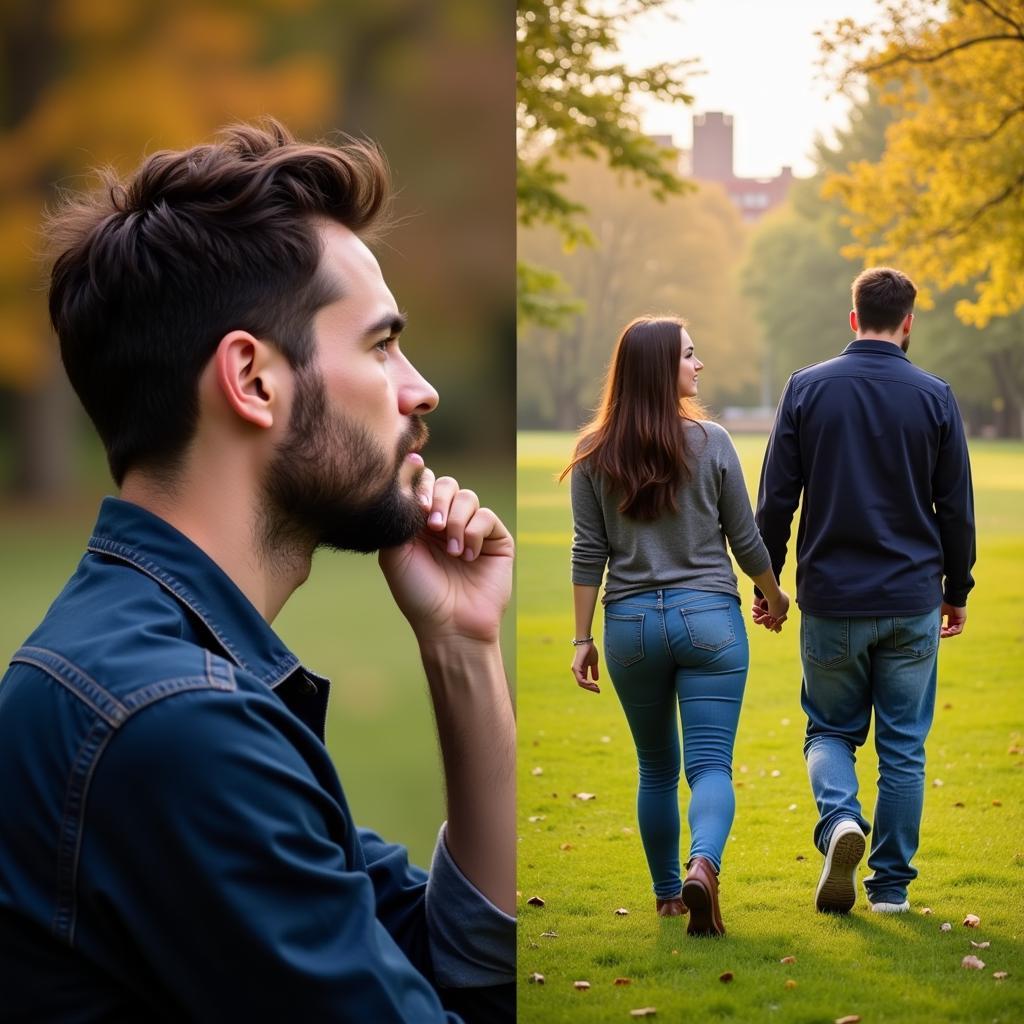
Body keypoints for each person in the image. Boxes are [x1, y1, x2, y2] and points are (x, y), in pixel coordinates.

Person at [0, 120, 515, 1023]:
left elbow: (443, 956)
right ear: (253, 380)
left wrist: (463, 651)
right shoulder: (176, 729)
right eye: (381, 344)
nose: (419, 388)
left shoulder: (156, 673)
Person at [754, 266, 975, 916]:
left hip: (832, 599)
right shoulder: (935, 395)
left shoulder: (806, 388)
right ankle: (892, 890)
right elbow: (955, 508)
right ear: (908, 322)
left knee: (828, 731)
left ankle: (841, 822)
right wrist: (955, 589)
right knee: (904, 745)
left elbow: (775, 501)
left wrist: (768, 584)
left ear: (854, 319)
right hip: (910, 598)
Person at [564, 316, 790, 937]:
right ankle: (703, 866)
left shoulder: (591, 453)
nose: (698, 366)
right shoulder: (711, 440)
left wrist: (581, 639)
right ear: (662, 369)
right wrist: (772, 594)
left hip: (630, 627)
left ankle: (668, 896)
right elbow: (745, 538)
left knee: (655, 768)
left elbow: (589, 553)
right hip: (709, 621)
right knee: (710, 766)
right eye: (690, 356)